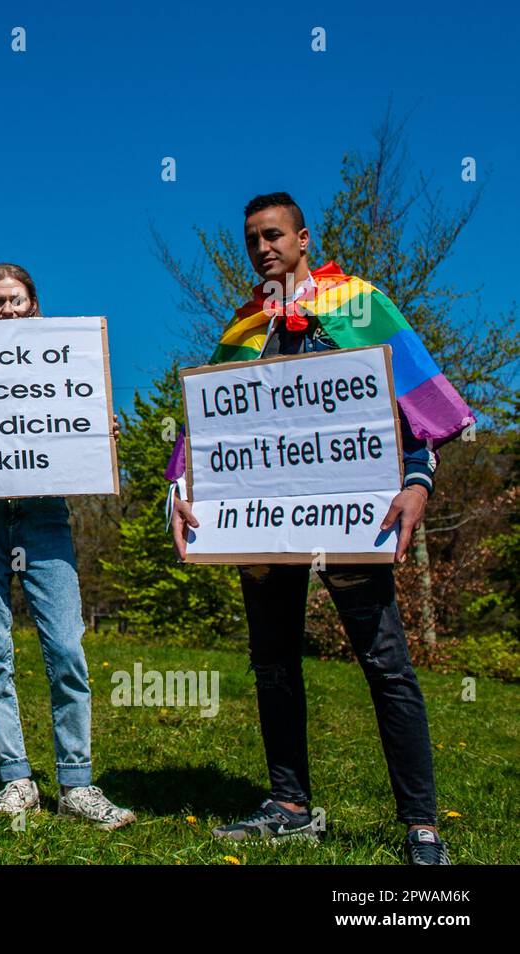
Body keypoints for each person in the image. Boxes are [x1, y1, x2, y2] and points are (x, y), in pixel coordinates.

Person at [169, 192, 467, 865]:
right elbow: (210, 429)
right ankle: (290, 804)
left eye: (273, 235)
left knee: (385, 663)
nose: (263, 248)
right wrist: (182, 495)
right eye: (252, 240)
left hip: (355, 516)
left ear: (303, 238)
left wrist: (417, 481)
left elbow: (412, 405)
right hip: (265, 525)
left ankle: (422, 826)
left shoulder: (359, 304)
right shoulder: (243, 327)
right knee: (273, 662)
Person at [0, 264, 135, 827]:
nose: (7, 310)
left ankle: (77, 783)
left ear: (35, 307)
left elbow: (74, 429)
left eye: (16, 300)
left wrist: (96, 432)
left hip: (44, 518)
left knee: (66, 647)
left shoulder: (65, 359)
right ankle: (16, 779)